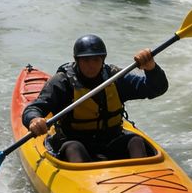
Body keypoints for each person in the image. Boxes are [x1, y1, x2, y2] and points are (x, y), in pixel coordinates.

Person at [22, 34, 168, 162]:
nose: (91, 65)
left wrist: (151, 68)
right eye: (86, 61)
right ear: (77, 60)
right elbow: (34, 108)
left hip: (111, 140)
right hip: (76, 142)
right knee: (73, 147)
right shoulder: (62, 82)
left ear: (102, 60)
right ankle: (80, 189)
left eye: (95, 60)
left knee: (135, 141)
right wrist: (34, 120)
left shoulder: (114, 78)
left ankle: (142, 179)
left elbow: (155, 89)